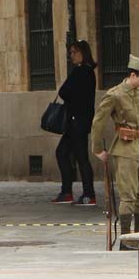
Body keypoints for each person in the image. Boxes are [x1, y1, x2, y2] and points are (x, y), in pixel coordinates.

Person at [91, 53, 139, 249]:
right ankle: (126, 240)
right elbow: (98, 121)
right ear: (132, 75)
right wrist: (98, 148)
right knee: (128, 195)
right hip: (125, 148)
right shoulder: (115, 94)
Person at [54, 40, 99, 205]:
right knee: (64, 153)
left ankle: (87, 193)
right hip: (79, 121)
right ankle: (67, 191)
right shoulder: (85, 72)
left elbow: (65, 91)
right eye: (70, 52)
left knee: (80, 157)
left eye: (74, 52)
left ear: (83, 53)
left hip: (77, 122)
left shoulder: (81, 72)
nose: (71, 55)